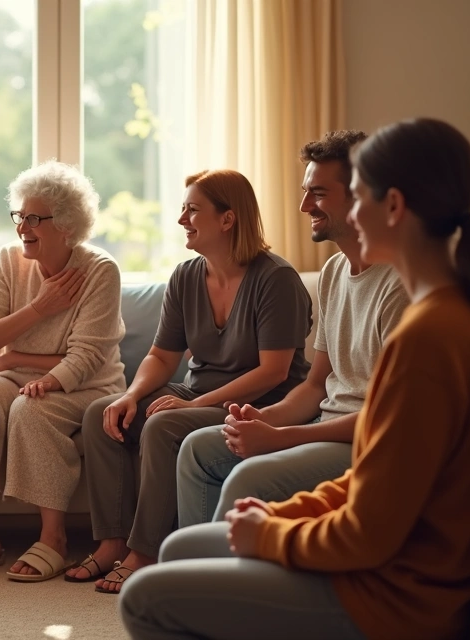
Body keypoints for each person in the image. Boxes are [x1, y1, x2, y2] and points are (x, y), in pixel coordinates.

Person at [119, 118, 470, 640]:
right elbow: (372, 474)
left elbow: (368, 534)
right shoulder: (435, 317)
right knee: (177, 549)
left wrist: (273, 536)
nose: (329, 209)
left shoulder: (429, 339)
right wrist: (278, 517)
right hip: (378, 561)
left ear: (391, 206)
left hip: (391, 594)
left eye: (357, 196)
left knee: (145, 598)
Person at [66, 169, 311, 592]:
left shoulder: (276, 280)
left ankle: (146, 552)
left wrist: (193, 406)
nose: (182, 219)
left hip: (259, 403)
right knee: (99, 415)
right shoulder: (185, 276)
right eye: (183, 209)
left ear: (228, 220)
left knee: (163, 424)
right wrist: (131, 395)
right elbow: (163, 356)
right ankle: (113, 543)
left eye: (193, 210)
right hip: (197, 391)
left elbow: (273, 371)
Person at [177, 131, 408, 528]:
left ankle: (209, 579)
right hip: (321, 426)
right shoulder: (335, 272)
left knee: (249, 476)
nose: (304, 206)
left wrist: (282, 438)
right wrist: (264, 419)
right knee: (198, 448)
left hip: (364, 444)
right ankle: (203, 573)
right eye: (305, 192)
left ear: (360, 193)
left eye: (317, 192)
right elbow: (315, 386)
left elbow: (389, 417)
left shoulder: (400, 284)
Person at [0, 161, 126, 583]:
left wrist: (22, 365)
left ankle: (53, 538)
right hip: (21, 372)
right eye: (20, 216)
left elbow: (85, 357)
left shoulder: (100, 270)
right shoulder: (9, 261)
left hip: (90, 386)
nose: (23, 226)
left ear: (66, 225)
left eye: (34, 218)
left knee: (31, 408)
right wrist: (39, 309)